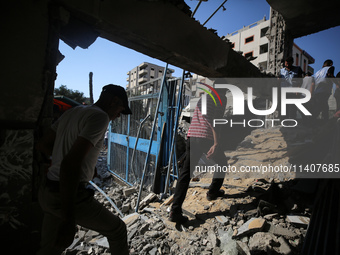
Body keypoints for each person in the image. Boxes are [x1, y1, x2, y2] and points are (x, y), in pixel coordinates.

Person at [36, 84, 132, 255]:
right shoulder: (100, 117)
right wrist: (69, 219)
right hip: (68, 193)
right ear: (113, 101)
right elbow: (70, 164)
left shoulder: (74, 111)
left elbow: (44, 144)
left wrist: (69, 162)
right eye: (120, 110)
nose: (118, 116)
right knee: (117, 230)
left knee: (49, 249)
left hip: (48, 191)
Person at [169, 88, 228, 224]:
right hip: (205, 138)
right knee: (222, 163)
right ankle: (212, 192)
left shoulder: (205, 98)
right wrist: (216, 143)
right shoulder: (219, 99)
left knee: (185, 174)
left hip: (192, 137)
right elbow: (213, 120)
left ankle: (175, 210)